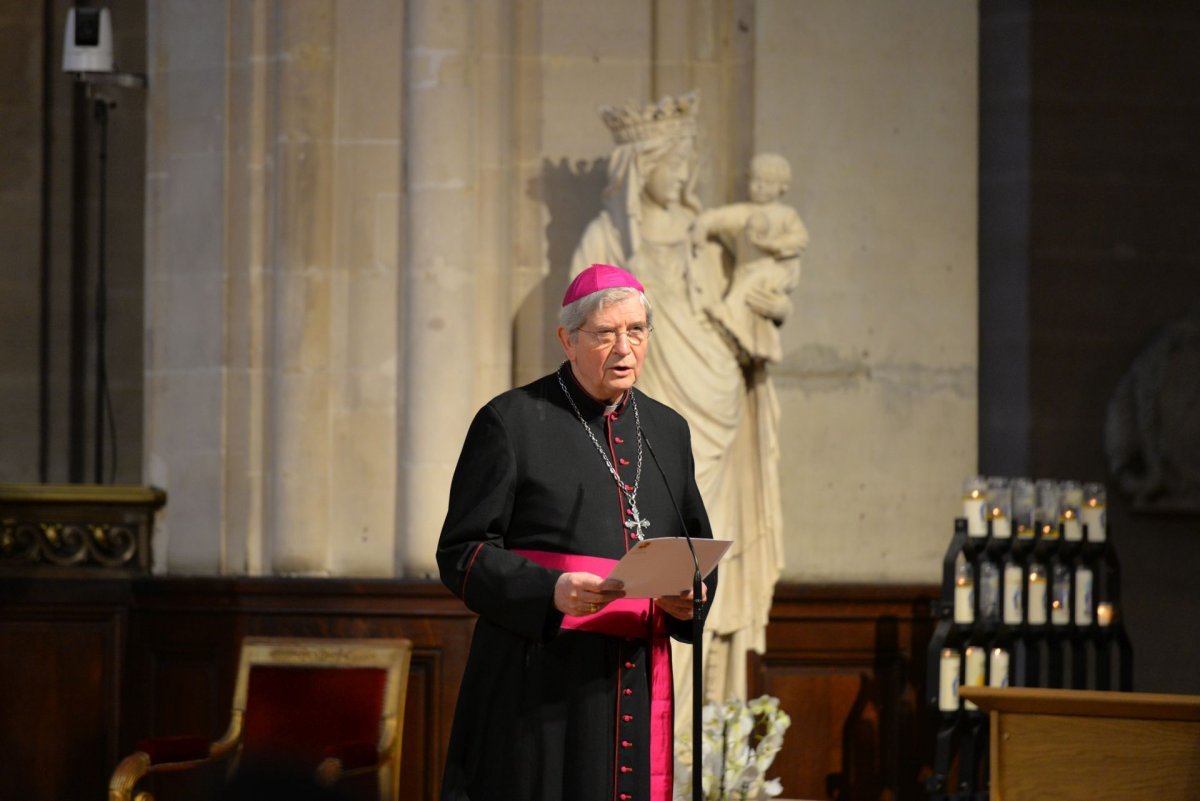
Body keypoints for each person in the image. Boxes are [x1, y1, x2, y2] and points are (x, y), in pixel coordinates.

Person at [436, 263, 717, 801]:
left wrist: (692, 600)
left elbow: (695, 546)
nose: (624, 348)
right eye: (605, 333)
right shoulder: (511, 421)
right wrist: (550, 592)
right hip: (538, 681)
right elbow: (462, 552)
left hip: (633, 678)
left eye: (636, 331)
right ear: (567, 339)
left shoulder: (667, 430)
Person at [571, 92, 787, 719]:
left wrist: (764, 305)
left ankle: (705, 712)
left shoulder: (699, 233)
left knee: (700, 544)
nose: (685, 175)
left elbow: (737, 297)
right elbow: (587, 329)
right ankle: (662, 707)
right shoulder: (607, 234)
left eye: (690, 161)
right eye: (673, 161)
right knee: (642, 538)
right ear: (642, 165)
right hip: (641, 397)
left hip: (710, 390)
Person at [694, 152, 809, 364]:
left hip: (773, 271)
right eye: (755, 181)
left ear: (781, 186)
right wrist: (703, 226)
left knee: (754, 296)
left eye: (767, 182)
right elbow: (719, 218)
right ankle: (750, 343)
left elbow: (800, 239)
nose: (759, 187)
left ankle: (729, 314)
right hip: (745, 270)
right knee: (747, 310)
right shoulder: (745, 212)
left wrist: (773, 244)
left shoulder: (785, 214)